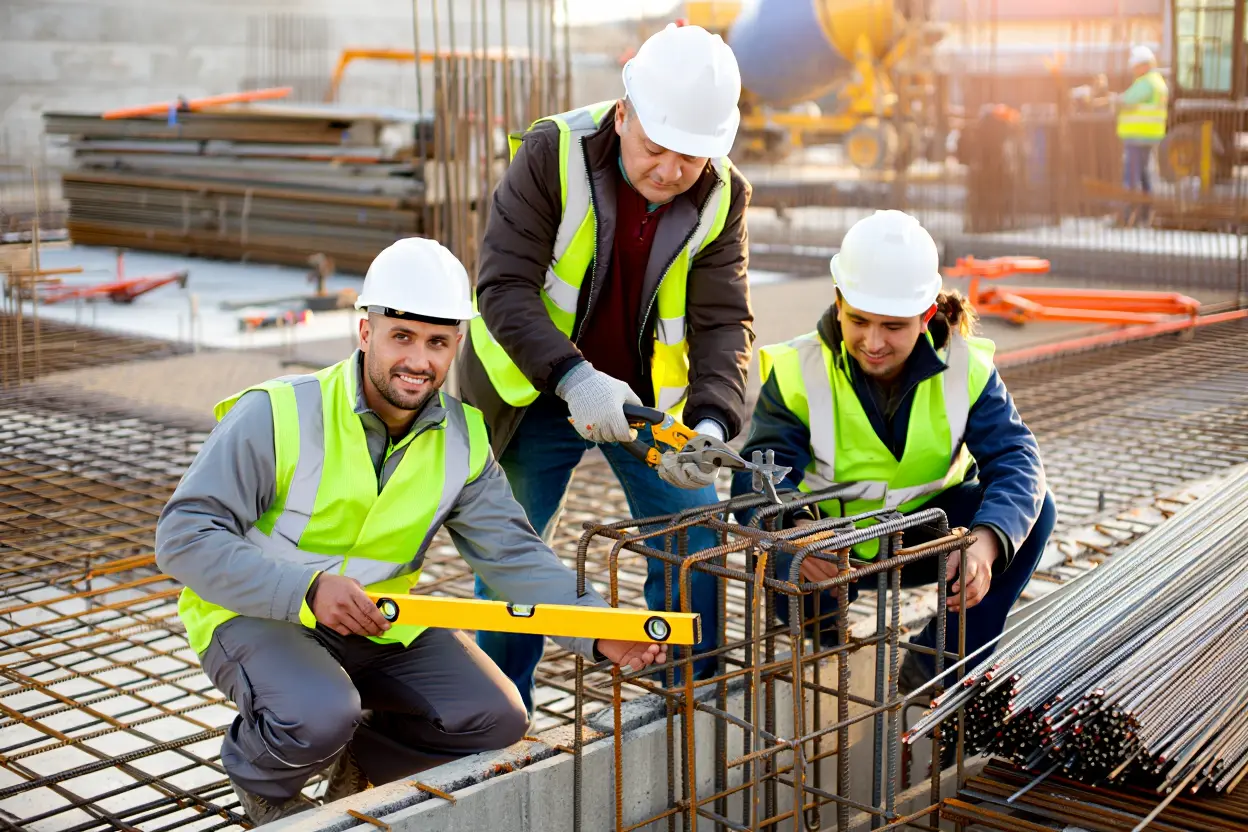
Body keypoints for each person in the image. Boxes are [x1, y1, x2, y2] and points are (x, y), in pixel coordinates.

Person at [155, 238, 666, 826]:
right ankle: (261, 775)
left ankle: (361, 761)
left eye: (437, 342)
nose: (418, 361)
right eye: (402, 336)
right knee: (321, 714)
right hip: (259, 613)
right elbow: (184, 536)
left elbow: (514, 556)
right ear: (365, 331)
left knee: (496, 718)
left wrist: (599, 630)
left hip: (379, 619)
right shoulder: (277, 412)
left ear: (457, 345)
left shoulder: (463, 439)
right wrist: (306, 589)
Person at [460, 22, 755, 714]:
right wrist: (573, 377)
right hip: (535, 390)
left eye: (691, 156)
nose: (670, 171)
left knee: (695, 539)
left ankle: (688, 700)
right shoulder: (553, 154)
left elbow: (723, 321)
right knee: (512, 556)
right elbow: (503, 286)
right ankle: (497, 716)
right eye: (655, 148)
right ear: (623, 114)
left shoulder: (723, 194)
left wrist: (712, 423)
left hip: (647, 403)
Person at [730, 209, 1056, 694]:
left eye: (893, 326)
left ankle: (942, 662)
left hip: (924, 539)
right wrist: (795, 529)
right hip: (829, 548)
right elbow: (758, 471)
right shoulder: (802, 368)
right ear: (838, 302)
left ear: (925, 317)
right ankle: (827, 643)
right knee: (782, 557)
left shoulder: (964, 368)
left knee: (1031, 514)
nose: (874, 342)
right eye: (858, 320)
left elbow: (1017, 460)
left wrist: (985, 541)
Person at [1116, 45, 1168, 227]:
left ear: (1144, 65)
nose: (1134, 70)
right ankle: (1146, 216)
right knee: (1146, 176)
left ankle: (1127, 217)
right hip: (1149, 136)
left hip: (1137, 136)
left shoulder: (1147, 82)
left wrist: (1114, 99)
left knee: (1131, 177)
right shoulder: (1158, 81)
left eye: (1135, 67)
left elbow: (1127, 100)